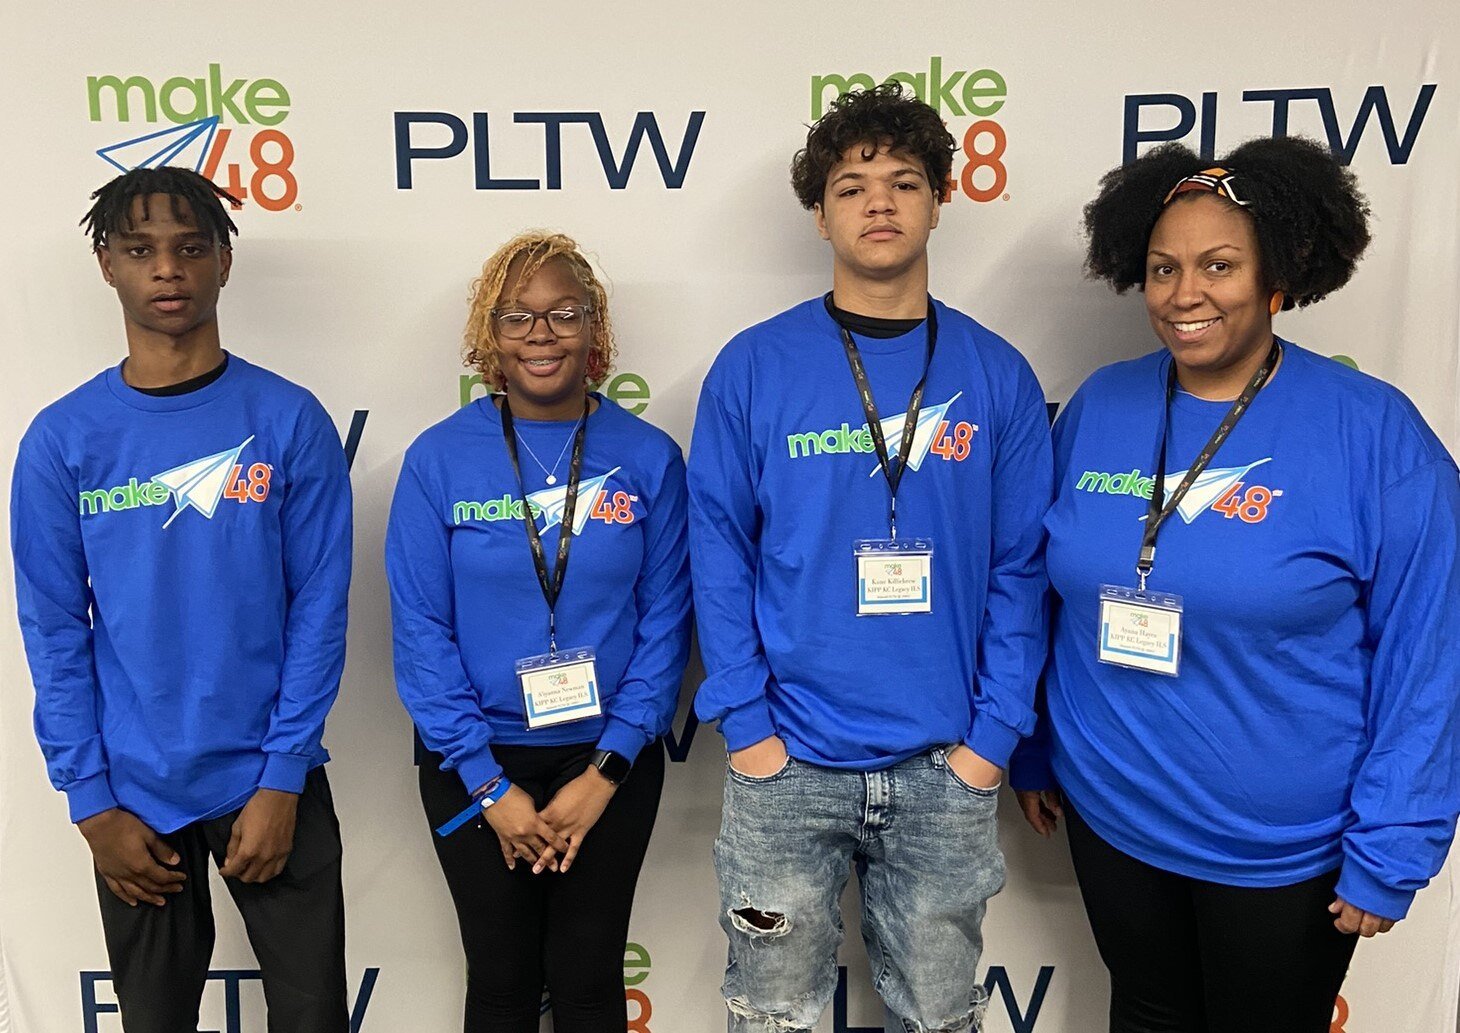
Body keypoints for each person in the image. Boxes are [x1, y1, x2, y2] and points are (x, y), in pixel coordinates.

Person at [1010, 137, 1460, 1033]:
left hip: (1283, 851)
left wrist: (1395, 839)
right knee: (1144, 1017)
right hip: (1115, 814)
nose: (1186, 293)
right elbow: (1041, 588)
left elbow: (1430, 654)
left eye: (1219, 265)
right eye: (1164, 267)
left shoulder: (1372, 432)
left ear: (1278, 275)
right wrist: (1032, 742)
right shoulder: (1100, 404)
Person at [689, 82, 1052, 1033]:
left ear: (941, 199)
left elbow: (1020, 569)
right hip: (788, 762)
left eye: (903, 182)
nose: (879, 204)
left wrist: (992, 743)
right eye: (852, 187)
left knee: (941, 1016)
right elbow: (717, 554)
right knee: (774, 1017)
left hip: (946, 762)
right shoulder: (755, 366)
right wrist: (750, 732)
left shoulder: (996, 373)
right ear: (820, 214)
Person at [10, 166, 353, 1031]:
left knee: (312, 1018)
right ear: (106, 264)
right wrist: (89, 798)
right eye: (141, 250)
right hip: (133, 797)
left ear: (223, 263)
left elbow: (318, 607)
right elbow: (54, 629)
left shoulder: (289, 418)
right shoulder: (62, 439)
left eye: (190, 248)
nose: (168, 269)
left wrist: (282, 776)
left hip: (272, 781)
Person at [385, 231, 691, 1033]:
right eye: (517, 317)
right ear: (489, 337)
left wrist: (608, 767)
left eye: (564, 313)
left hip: (608, 762)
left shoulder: (649, 458)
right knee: (500, 980)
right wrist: (491, 787)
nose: (542, 333)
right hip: (473, 761)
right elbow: (420, 630)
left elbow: (666, 621)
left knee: (591, 982)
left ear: (597, 332)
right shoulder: (438, 461)